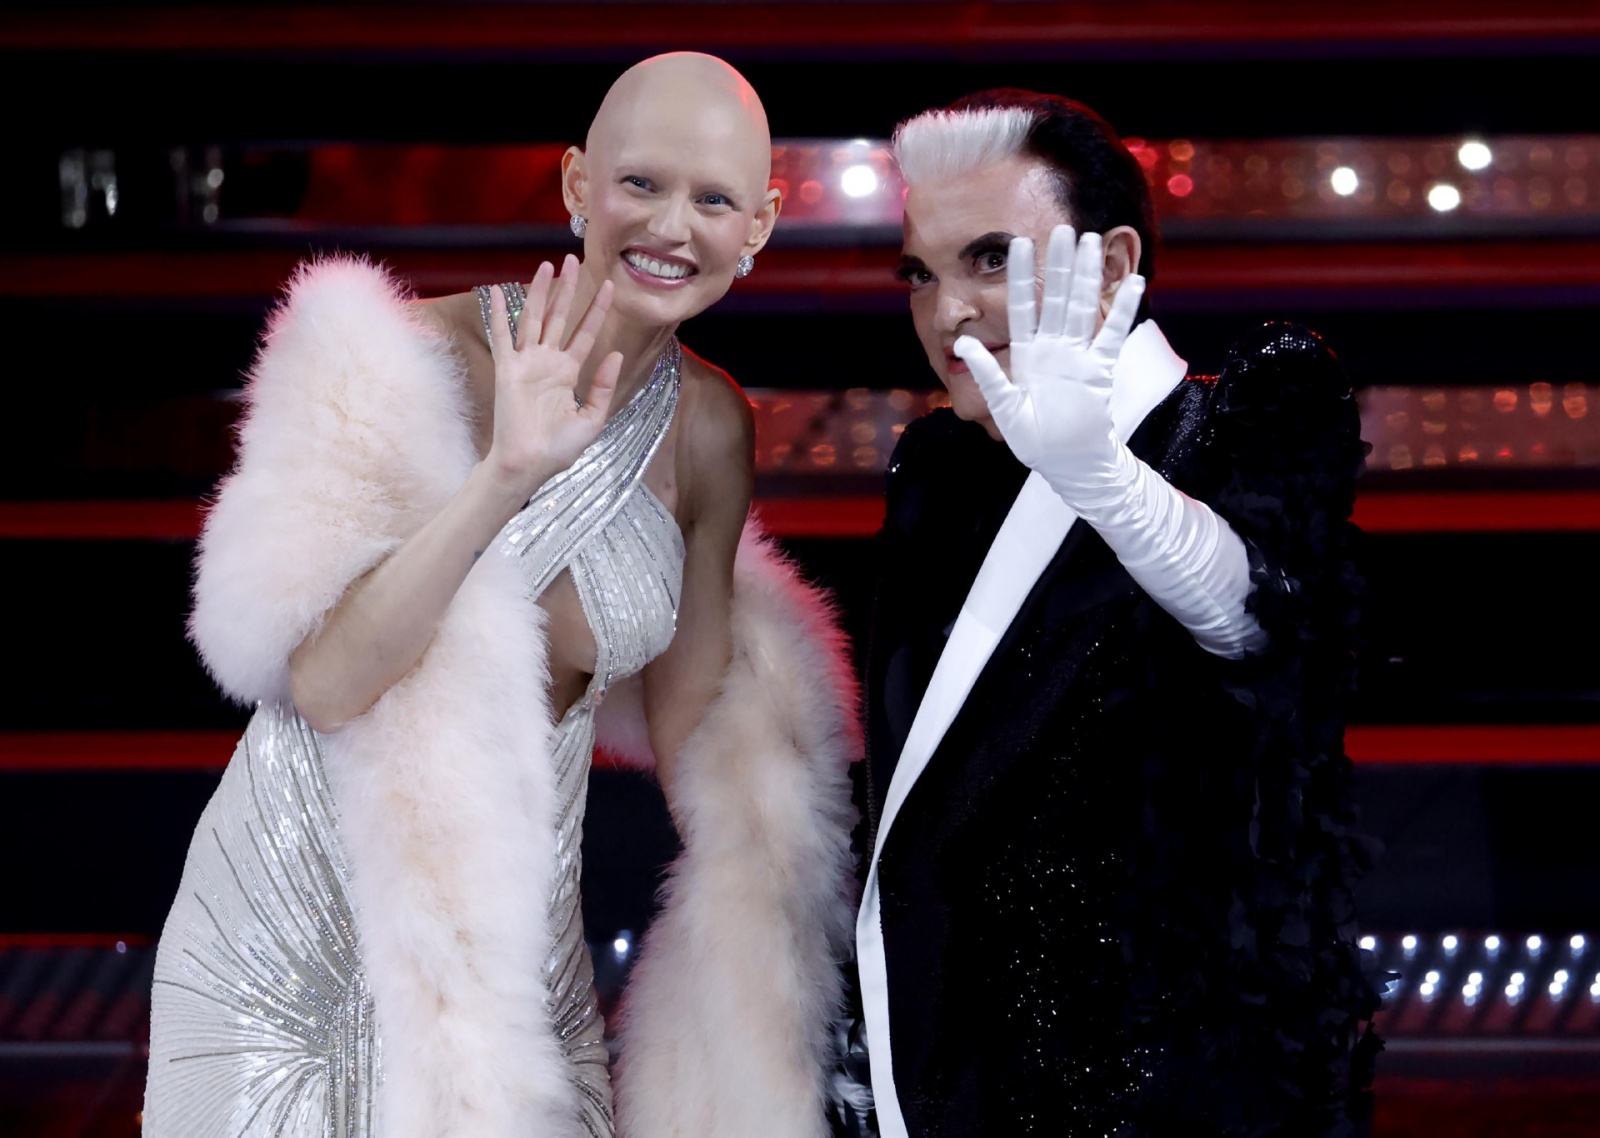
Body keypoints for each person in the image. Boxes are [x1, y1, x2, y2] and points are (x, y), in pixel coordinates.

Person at [145, 53, 859, 1138]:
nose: (672, 226)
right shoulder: (402, 354)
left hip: (513, 950)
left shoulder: (711, 430)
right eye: (641, 184)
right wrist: (504, 478)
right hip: (291, 944)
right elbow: (328, 683)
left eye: (714, 199)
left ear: (758, 225)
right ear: (578, 184)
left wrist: (799, 938)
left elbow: (693, 726)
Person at [838, 90, 1381, 1137]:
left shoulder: (1247, 414)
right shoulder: (938, 469)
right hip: (943, 1074)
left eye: (989, 259)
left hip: (1167, 1089)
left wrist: (1103, 480)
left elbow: (1263, 626)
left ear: (1116, 261)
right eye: (921, 271)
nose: (945, 310)